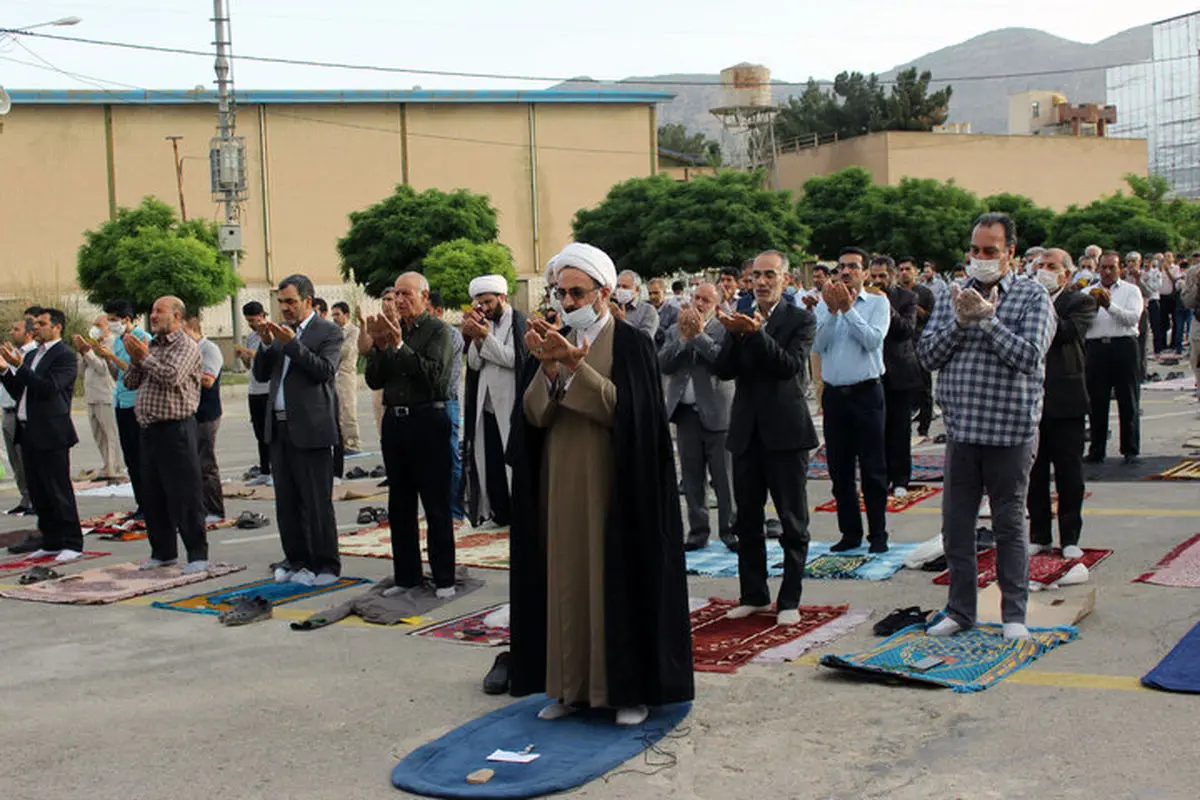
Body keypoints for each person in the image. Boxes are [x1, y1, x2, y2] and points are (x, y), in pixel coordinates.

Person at [506, 241, 693, 726]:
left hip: (616, 488)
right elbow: (531, 417)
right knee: (566, 582)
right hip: (561, 483)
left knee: (615, 582)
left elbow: (629, 415)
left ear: (604, 293)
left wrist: (574, 365)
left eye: (576, 292)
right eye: (560, 292)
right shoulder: (552, 337)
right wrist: (548, 368)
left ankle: (625, 691)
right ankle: (568, 689)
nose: (566, 302)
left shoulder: (631, 344)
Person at [918, 213, 1055, 641]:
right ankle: (960, 611)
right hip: (962, 433)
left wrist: (988, 320)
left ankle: (1014, 614)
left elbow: (1029, 356)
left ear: (1010, 253)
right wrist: (961, 320)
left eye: (990, 251)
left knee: (1009, 526)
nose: (981, 259)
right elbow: (927, 355)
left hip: (1010, 434)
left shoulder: (1033, 298)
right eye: (975, 251)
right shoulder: (953, 296)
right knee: (956, 528)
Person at [715, 249, 819, 625]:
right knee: (746, 519)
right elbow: (724, 370)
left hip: (786, 432)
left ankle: (789, 599)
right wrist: (732, 335)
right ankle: (754, 593)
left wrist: (756, 335)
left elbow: (787, 366)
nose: (760, 282)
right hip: (746, 431)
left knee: (793, 521)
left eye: (769, 275)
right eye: (755, 275)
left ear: (785, 279)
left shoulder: (801, 319)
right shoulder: (742, 312)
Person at [365, 273, 457, 596]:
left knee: (435, 503)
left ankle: (444, 577)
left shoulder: (438, 331)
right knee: (400, 504)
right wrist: (378, 347)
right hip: (396, 423)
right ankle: (406, 577)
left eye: (407, 294)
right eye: (396, 294)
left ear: (424, 296)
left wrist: (400, 346)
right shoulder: (393, 329)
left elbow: (434, 377)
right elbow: (375, 381)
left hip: (428, 420)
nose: (400, 300)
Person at [254, 274, 343, 586]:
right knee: (287, 502)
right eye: (281, 303)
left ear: (309, 301)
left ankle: (326, 565)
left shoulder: (328, 331)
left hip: (312, 428)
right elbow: (262, 374)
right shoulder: (279, 333)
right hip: (278, 427)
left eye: (291, 302)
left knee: (316, 501)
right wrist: (267, 345)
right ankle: (296, 560)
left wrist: (291, 344)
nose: (285, 308)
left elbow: (324, 371)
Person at [119, 296, 211, 573]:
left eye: (160, 311)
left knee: (185, 494)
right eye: (152, 310)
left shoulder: (186, 346)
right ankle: (163, 551)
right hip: (148, 429)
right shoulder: (153, 346)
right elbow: (130, 381)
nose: (153, 315)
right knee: (153, 494)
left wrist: (143, 357)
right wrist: (137, 359)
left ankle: (197, 554)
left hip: (176, 429)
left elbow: (171, 376)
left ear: (177, 318)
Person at [814, 249, 891, 553]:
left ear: (865, 271)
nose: (846, 272)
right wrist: (833, 312)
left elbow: (873, 340)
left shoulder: (877, 303)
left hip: (866, 393)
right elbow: (818, 345)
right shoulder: (825, 304)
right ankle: (850, 534)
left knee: (873, 468)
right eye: (841, 266)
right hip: (835, 395)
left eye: (853, 267)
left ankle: (878, 534)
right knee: (839, 470)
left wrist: (848, 309)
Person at [1027, 249, 1096, 560]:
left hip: (1066, 400)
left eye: (1051, 266)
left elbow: (1066, 332)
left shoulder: (1079, 301)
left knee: (1069, 474)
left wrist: (1040, 308)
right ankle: (1039, 535)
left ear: (1066, 274)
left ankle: (1069, 536)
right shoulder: (1026, 300)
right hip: (1031, 400)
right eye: (1039, 266)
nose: (1043, 270)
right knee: (1034, 473)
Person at [0, 308, 85, 562]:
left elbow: (48, 388)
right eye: (35, 323)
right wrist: (5, 371)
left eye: (42, 323)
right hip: (28, 432)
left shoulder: (64, 355)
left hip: (52, 432)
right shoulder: (33, 355)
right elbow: (20, 390)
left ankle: (72, 541)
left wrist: (19, 367)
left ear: (57, 327)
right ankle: (51, 540)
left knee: (58, 488)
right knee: (38, 490)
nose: (35, 327)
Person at [660, 282, 736, 552]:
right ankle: (698, 531)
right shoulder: (674, 329)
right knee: (692, 478)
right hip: (685, 415)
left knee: (724, 478)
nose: (699, 304)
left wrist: (699, 336)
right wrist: (683, 338)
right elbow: (664, 364)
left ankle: (731, 531)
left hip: (718, 414)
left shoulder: (725, 328)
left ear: (716, 305)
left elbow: (722, 362)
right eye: (696, 298)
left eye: (706, 300)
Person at [462, 275, 527, 530]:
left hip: (510, 403)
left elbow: (515, 359)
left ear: (502, 297)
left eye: (489, 302)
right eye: (480, 304)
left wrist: (485, 338)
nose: (485, 308)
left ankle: (518, 512)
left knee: (511, 460)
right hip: (485, 405)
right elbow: (475, 364)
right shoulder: (484, 323)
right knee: (490, 461)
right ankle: (498, 514)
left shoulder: (519, 322)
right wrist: (477, 339)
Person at [1084, 251, 1144, 465]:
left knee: (1128, 398)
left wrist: (1109, 305)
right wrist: (1091, 306)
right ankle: (1097, 449)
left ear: (1120, 269)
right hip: (1097, 347)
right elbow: (1082, 324)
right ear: (1098, 269)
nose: (1107, 272)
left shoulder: (1131, 291)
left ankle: (1130, 448)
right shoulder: (1088, 292)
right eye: (1104, 268)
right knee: (1096, 400)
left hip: (1123, 346)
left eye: (1112, 267)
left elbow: (1131, 318)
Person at [870, 256, 922, 497]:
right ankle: (881, 477)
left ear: (891, 276)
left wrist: (884, 305)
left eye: (882, 276)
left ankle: (901, 479)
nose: (878, 281)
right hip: (872, 373)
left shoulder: (907, 298)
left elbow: (906, 330)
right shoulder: (865, 297)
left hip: (900, 373)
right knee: (875, 430)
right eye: (874, 276)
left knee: (899, 429)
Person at [98, 300, 151, 520]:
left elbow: (135, 369)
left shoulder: (141, 338)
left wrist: (112, 357)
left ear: (126, 319)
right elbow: (117, 375)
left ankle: (151, 505)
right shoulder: (119, 340)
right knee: (131, 458)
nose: (111, 324)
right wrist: (106, 358)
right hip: (120, 401)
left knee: (142, 458)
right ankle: (142, 504)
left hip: (136, 402)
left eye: (113, 319)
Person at [428, 291, 467, 527]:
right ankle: (437, 507)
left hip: (445, 403)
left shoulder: (451, 336)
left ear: (438, 311)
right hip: (422, 406)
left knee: (450, 457)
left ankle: (455, 511)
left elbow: (443, 377)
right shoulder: (419, 334)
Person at [184, 311, 226, 523]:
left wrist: (182, 372)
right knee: (191, 464)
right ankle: (198, 507)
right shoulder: (186, 350)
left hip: (206, 413)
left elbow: (208, 380)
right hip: (189, 412)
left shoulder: (209, 350)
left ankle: (214, 509)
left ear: (193, 331)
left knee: (206, 462)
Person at [74, 315, 123, 481]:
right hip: (91, 395)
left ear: (107, 327)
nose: (95, 328)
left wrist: (89, 353)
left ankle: (114, 467)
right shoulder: (93, 344)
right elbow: (81, 370)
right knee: (98, 433)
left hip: (105, 395)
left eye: (99, 325)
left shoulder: (112, 343)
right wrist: (82, 352)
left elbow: (103, 369)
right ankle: (105, 465)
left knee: (110, 434)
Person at [2, 317, 39, 520]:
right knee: (15, 461)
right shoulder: (13, 353)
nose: (12, 332)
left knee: (27, 460)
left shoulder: (32, 355)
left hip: (22, 412)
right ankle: (25, 498)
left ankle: (35, 499)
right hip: (7, 411)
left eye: (16, 329)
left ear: (29, 333)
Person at [898, 257, 937, 438]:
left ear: (915, 271)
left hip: (920, 344)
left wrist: (913, 305)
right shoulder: (894, 293)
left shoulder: (925, 293)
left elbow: (931, 318)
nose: (904, 272)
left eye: (908, 269)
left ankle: (924, 428)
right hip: (900, 347)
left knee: (924, 388)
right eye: (901, 269)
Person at [236, 302, 274, 484]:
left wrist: (250, 353)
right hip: (255, 389)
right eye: (247, 320)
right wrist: (243, 356)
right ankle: (265, 470)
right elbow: (250, 365)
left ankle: (276, 470)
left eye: (252, 320)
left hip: (269, 389)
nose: (251, 324)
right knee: (259, 431)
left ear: (261, 316)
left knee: (271, 431)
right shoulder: (251, 336)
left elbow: (267, 357)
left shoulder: (270, 332)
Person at [330, 301, 362, 455]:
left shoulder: (353, 331)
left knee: (347, 409)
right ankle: (341, 443)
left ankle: (353, 443)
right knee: (336, 410)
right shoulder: (333, 331)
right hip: (333, 375)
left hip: (346, 374)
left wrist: (331, 351)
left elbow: (346, 351)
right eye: (333, 315)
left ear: (347, 315)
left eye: (337, 314)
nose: (335, 318)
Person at [611, 269, 659, 340]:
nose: (620, 290)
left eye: (625, 287)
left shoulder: (648, 311)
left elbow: (645, 339)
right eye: (618, 286)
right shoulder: (612, 307)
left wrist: (623, 321)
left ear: (637, 290)